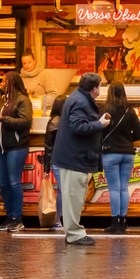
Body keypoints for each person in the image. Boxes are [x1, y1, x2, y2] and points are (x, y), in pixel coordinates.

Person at [52, 72, 111, 245]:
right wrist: (100, 124)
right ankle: (74, 234)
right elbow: (77, 126)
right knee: (73, 197)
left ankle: (74, 232)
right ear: (95, 88)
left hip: (72, 156)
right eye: (100, 85)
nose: (100, 88)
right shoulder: (80, 101)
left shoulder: (77, 97)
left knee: (74, 196)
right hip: (74, 157)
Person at [0, 71, 33, 232]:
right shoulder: (3, 101)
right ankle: (9, 217)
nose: (1, 84)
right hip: (1, 147)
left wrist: (1, 119)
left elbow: (25, 122)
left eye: (4, 81)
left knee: (14, 182)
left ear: (12, 83)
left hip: (17, 146)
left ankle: (18, 218)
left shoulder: (23, 101)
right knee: (3, 183)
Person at [100, 81, 140, 234]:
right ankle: (123, 223)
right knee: (124, 188)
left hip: (110, 153)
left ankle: (114, 224)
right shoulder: (129, 111)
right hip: (127, 154)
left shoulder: (104, 110)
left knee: (114, 189)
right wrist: (127, 140)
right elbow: (139, 133)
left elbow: (98, 130)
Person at [42, 95, 67, 229]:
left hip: (58, 160)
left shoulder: (53, 122)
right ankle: (64, 219)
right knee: (67, 190)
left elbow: (48, 147)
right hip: (71, 160)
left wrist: (46, 168)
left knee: (62, 190)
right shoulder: (71, 121)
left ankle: (58, 220)